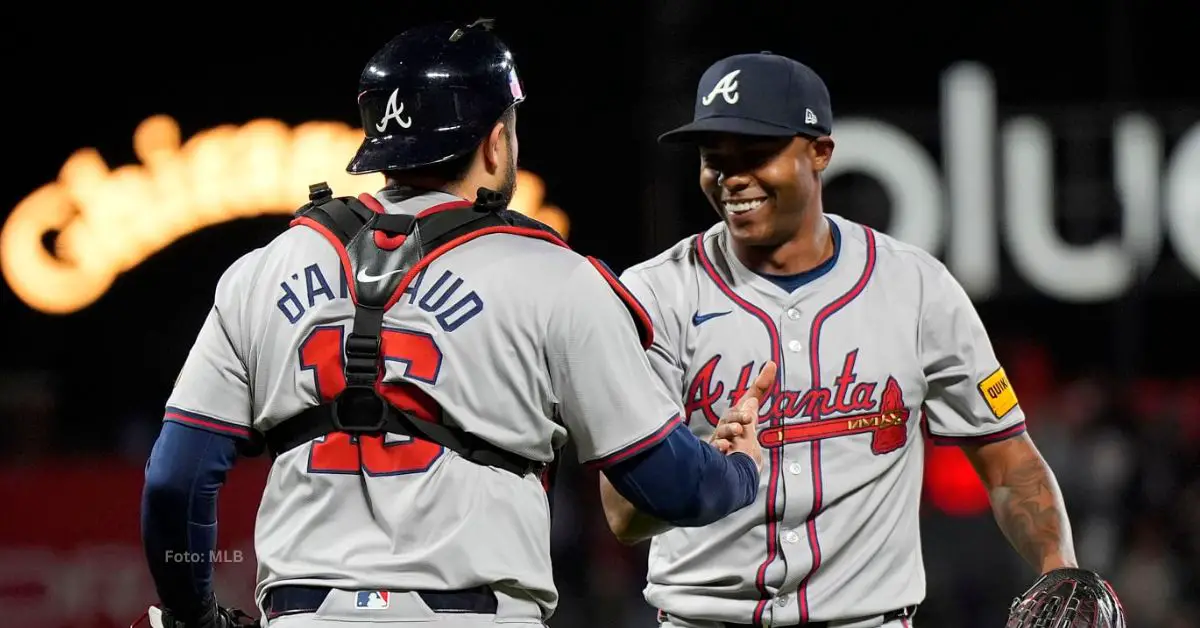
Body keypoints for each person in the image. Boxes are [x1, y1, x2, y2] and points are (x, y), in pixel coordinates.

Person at [138, 21, 770, 628]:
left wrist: (195, 615)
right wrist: (739, 472)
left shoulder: (261, 271)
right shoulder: (552, 273)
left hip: (304, 614)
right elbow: (667, 485)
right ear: (495, 140)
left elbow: (175, 482)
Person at [600, 51, 1118, 627]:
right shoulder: (655, 294)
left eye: (755, 155)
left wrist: (1057, 562)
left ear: (820, 151)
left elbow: (1006, 459)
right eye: (713, 160)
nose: (732, 178)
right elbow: (623, 516)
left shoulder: (916, 288)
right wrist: (699, 473)